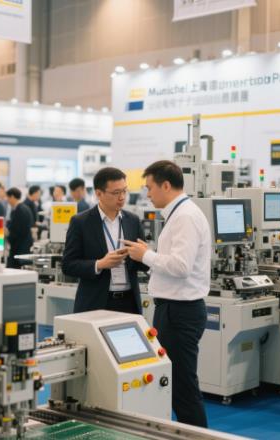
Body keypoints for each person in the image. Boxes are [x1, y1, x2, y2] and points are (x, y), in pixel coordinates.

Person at [122, 160, 210, 428]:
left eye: (150, 187)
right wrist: (148, 253)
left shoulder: (185, 217)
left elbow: (181, 267)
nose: (147, 194)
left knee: (183, 387)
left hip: (180, 312)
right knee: (177, 383)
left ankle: (197, 435)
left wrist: (146, 256)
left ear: (166, 185)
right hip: (174, 309)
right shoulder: (180, 213)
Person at [62, 167, 147, 314]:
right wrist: (100, 264)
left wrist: (145, 255)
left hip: (129, 303)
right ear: (98, 193)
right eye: (116, 193)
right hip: (96, 302)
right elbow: (68, 265)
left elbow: (142, 266)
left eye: (124, 191)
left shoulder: (133, 220)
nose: (122, 197)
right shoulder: (81, 222)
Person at [5, 187, 34, 269]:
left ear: (12, 197)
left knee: (14, 270)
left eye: (8, 198)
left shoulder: (19, 210)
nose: (7, 200)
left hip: (19, 247)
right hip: (24, 245)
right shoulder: (25, 208)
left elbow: (17, 231)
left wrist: (8, 233)